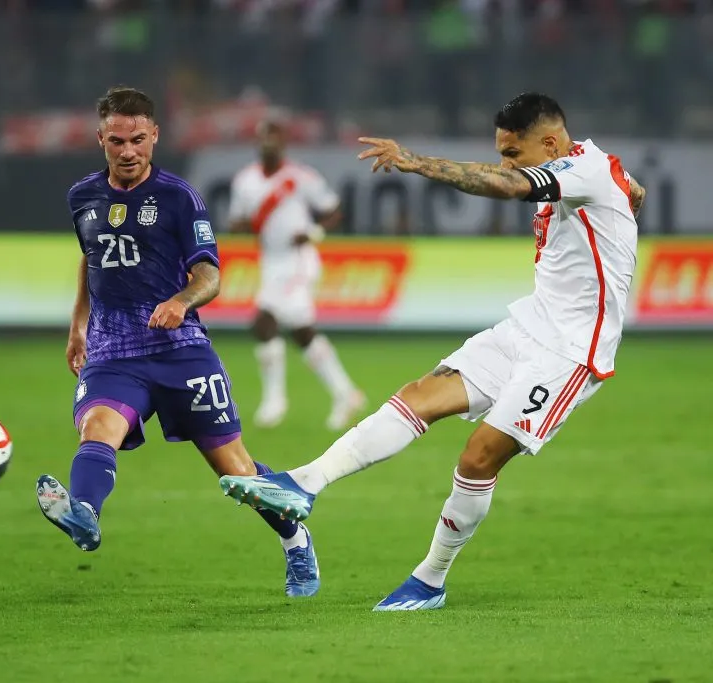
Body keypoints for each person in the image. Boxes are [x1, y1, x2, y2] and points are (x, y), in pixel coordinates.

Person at [217, 93, 646, 610]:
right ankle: (303, 484)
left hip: (571, 351)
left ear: (551, 143)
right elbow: (631, 189)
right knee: (419, 395)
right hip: (528, 326)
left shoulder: (583, 170)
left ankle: (430, 579)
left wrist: (413, 162)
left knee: (479, 456)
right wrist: (628, 202)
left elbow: (508, 186)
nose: (506, 163)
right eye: (503, 152)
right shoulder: (599, 167)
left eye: (514, 152)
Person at [35, 87, 320, 597]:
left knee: (237, 472)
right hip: (113, 349)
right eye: (117, 141)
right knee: (98, 429)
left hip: (179, 349)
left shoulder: (178, 198)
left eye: (138, 140)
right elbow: (91, 258)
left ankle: (295, 539)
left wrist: (183, 302)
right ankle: (84, 515)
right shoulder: (82, 197)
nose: (128, 151)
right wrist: (77, 325)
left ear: (154, 136)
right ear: (101, 138)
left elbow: (211, 275)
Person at [227, 116, 366, 430]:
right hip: (271, 261)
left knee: (263, 322)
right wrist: (241, 225)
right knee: (302, 333)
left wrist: (313, 233)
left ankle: (275, 400)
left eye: (275, 138)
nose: (269, 144)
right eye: (264, 137)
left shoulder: (301, 177)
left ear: (284, 143)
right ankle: (345, 393)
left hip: (299, 260)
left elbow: (334, 211)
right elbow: (238, 221)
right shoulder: (245, 181)